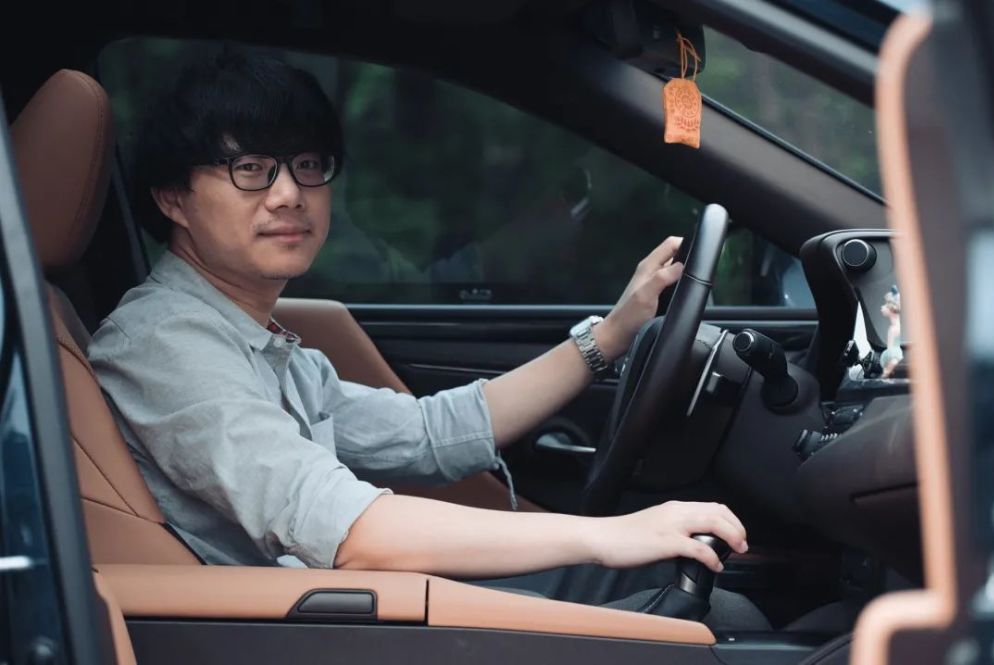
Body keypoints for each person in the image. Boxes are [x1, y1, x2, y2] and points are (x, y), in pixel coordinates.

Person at [88, 51, 767, 630]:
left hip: (327, 610)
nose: (289, 193)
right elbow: (350, 532)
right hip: (298, 631)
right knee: (721, 617)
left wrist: (611, 335)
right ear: (172, 199)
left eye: (307, 164)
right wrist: (606, 535)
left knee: (688, 588)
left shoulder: (259, 342)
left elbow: (428, 434)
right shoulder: (165, 343)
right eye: (251, 168)